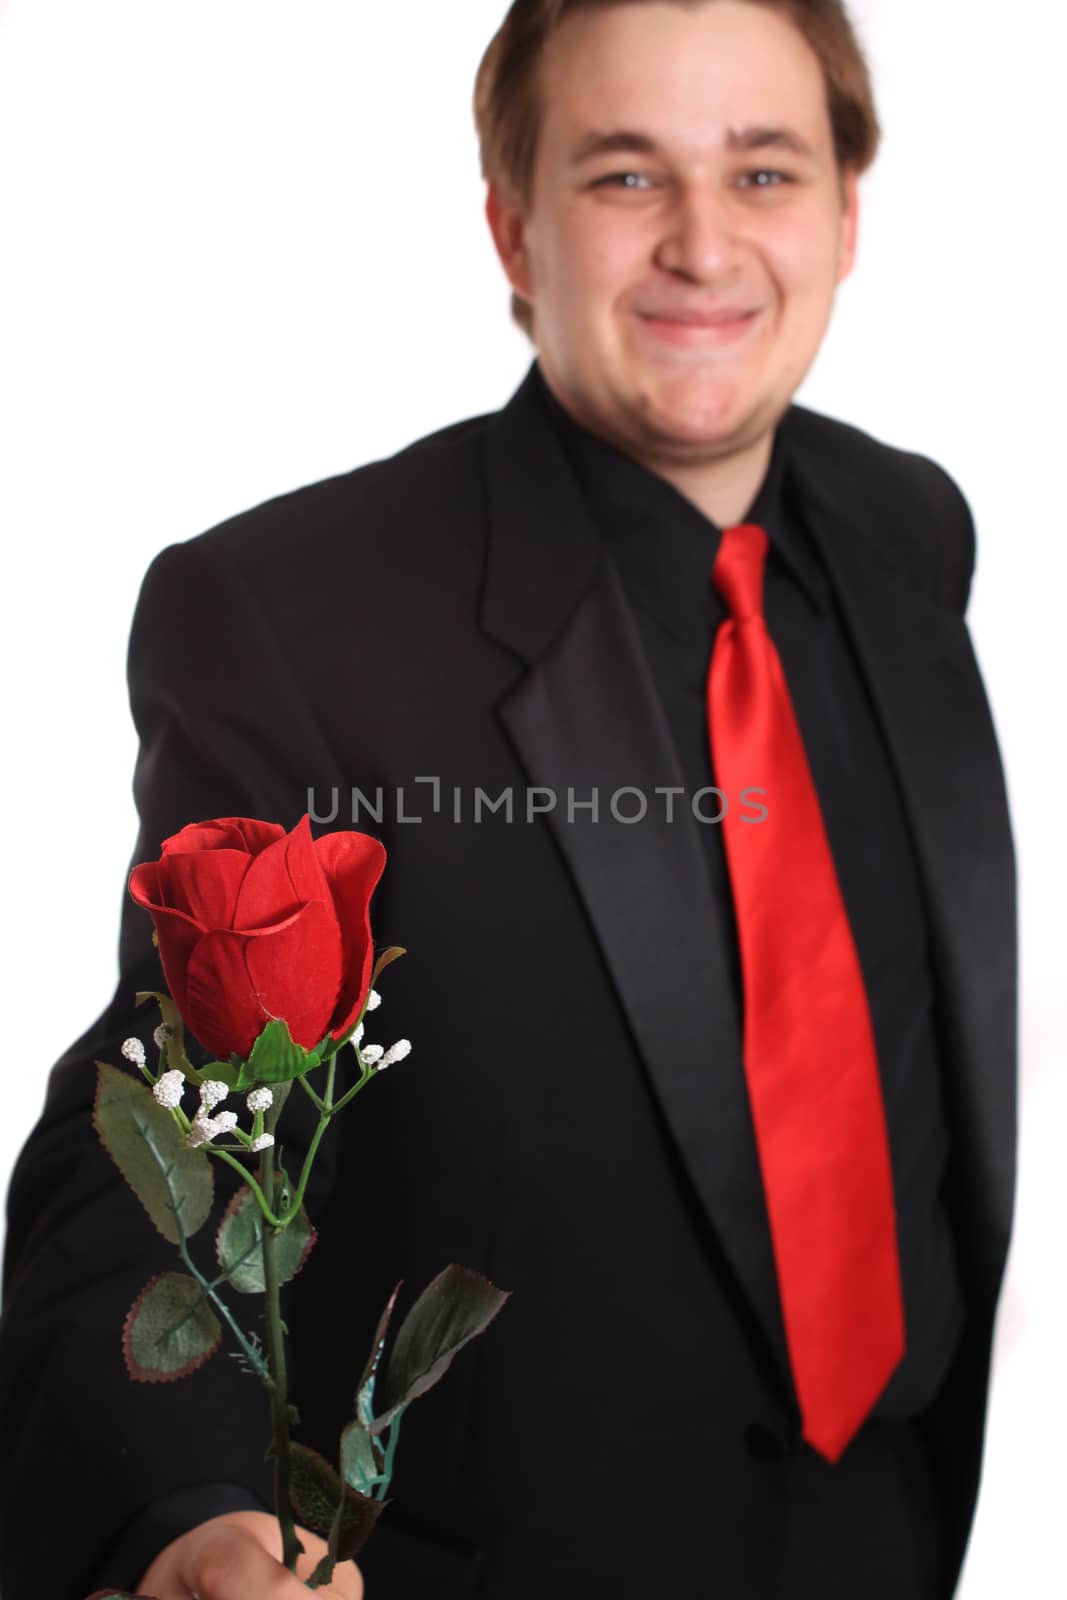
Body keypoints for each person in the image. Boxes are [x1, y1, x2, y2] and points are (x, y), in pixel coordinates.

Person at [0, 2, 1017, 1597]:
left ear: (843, 212)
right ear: (511, 225)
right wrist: (178, 1510)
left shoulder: (911, 534)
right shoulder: (295, 620)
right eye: (626, 178)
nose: (704, 244)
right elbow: (153, 1141)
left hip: (892, 1539)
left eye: (763, 173)